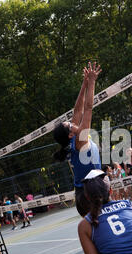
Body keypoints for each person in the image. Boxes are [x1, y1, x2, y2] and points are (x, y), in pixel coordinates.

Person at [53, 62, 102, 217]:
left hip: (83, 192)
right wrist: (93, 81)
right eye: (70, 124)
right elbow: (87, 108)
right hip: (90, 192)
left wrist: (84, 83)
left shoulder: (74, 140)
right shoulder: (80, 140)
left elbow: (77, 109)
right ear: (69, 134)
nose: (73, 121)